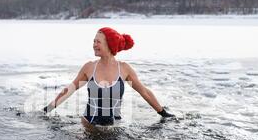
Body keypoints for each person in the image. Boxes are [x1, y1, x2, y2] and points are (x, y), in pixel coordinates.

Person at [43, 27, 175, 127]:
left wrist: (163, 113)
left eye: (98, 42)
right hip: (89, 125)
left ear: (109, 44)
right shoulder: (89, 68)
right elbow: (69, 90)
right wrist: (47, 109)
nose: (94, 44)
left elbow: (144, 92)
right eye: (94, 41)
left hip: (114, 126)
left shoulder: (124, 69)